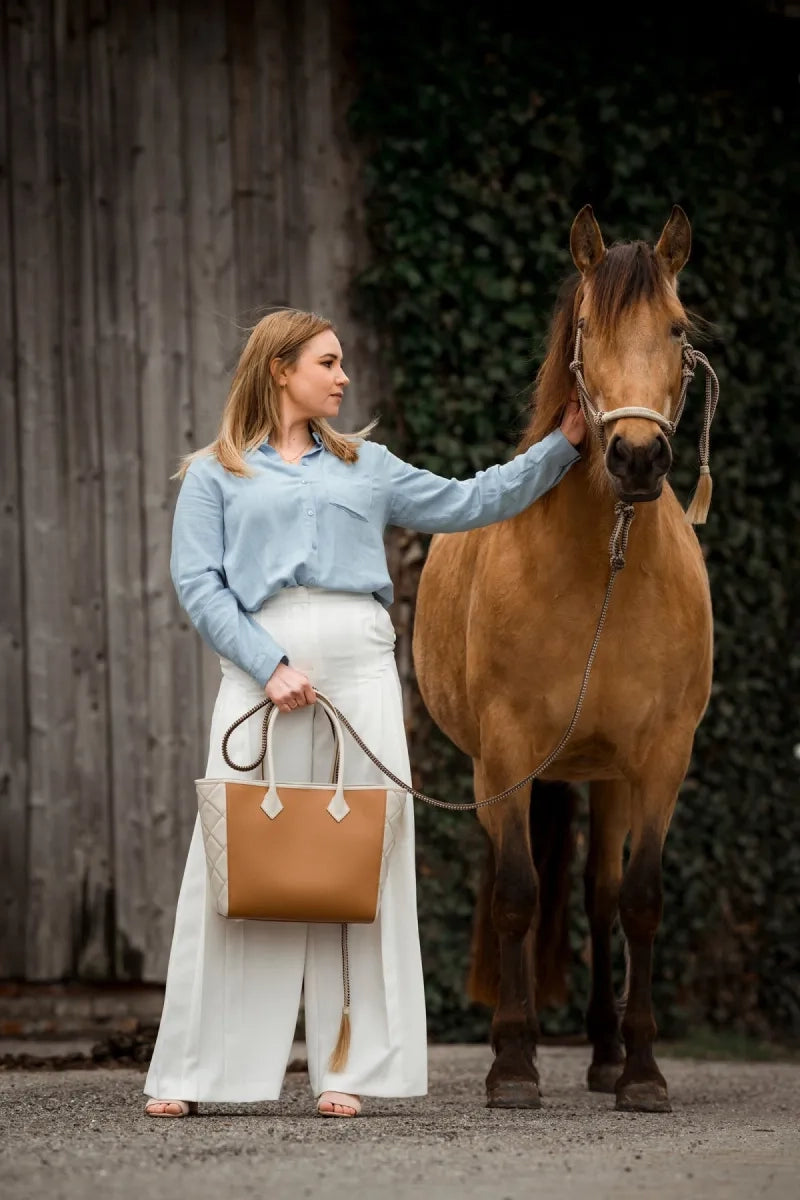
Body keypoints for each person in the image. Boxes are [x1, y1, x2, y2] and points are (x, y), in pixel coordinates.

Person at [143, 307, 586, 1119]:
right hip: (260, 673)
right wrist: (268, 665)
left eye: (342, 362)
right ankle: (197, 1074)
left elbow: (472, 499)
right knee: (237, 861)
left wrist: (562, 444)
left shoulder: (369, 466)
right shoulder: (214, 474)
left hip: (360, 667)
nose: (344, 376)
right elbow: (200, 585)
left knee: (360, 859)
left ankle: (349, 1068)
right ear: (280, 369)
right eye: (328, 361)